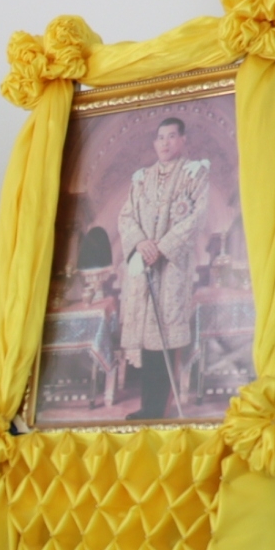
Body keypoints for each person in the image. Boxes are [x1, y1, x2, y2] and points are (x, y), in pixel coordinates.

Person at [116, 115, 210, 420]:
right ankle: (148, 408)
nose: (165, 143)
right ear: (155, 143)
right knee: (147, 341)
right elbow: (126, 217)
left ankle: (160, 409)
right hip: (144, 268)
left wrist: (162, 246)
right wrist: (141, 243)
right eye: (160, 137)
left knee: (165, 338)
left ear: (182, 140)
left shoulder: (195, 174)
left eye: (171, 136)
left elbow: (196, 217)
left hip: (172, 268)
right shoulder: (141, 179)